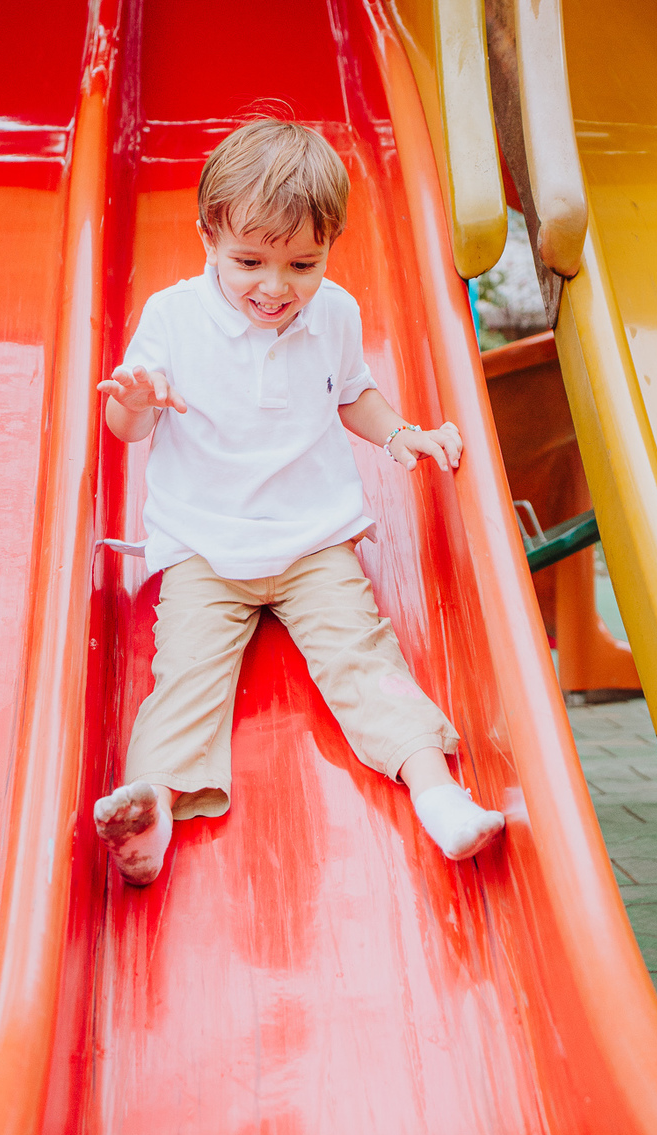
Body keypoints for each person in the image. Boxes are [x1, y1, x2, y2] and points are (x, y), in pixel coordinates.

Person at [94, 119, 507, 886]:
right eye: (249, 261)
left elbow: (352, 396)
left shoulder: (336, 314)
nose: (275, 287)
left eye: (302, 264)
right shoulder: (174, 317)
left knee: (362, 656)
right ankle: (152, 806)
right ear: (207, 237)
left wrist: (402, 437)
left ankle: (437, 792)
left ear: (330, 249)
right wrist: (133, 401)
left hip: (315, 543)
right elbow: (131, 426)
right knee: (185, 675)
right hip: (206, 549)